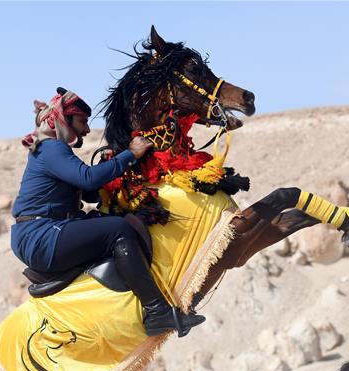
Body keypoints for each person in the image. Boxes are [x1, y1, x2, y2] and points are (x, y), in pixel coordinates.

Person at [11, 87, 204, 337]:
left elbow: (89, 192)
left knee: (118, 221)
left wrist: (112, 166)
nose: (87, 130)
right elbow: (89, 180)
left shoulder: (52, 150)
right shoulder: (51, 149)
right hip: (40, 236)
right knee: (119, 230)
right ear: (64, 118)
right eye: (82, 122)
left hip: (44, 232)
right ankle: (157, 311)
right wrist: (130, 155)